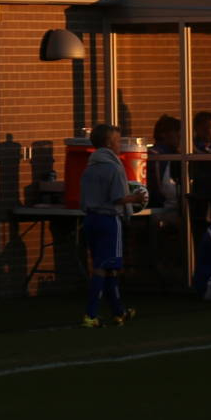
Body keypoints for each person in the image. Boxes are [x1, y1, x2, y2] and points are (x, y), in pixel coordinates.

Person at [78, 123, 137, 328]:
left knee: (108, 266)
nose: (120, 145)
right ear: (108, 143)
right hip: (109, 220)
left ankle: (118, 311)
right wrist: (136, 197)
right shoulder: (114, 167)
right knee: (103, 268)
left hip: (90, 219)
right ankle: (90, 314)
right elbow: (118, 198)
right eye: (118, 141)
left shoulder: (90, 166)